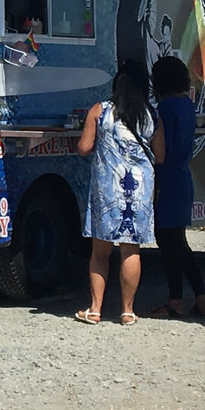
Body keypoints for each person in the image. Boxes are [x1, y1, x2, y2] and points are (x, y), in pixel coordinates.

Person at [76, 58, 155, 325]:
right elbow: (162, 154)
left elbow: (85, 148)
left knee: (100, 253)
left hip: (107, 190)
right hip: (139, 193)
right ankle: (127, 311)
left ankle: (95, 309)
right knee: (131, 251)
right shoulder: (151, 115)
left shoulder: (100, 111)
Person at [148, 55, 205, 319]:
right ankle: (201, 297)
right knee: (180, 241)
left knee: (168, 242)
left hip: (167, 178)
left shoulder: (164, 109)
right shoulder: (187, 105)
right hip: (183, 176)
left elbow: (161, 148)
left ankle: (175, 300)